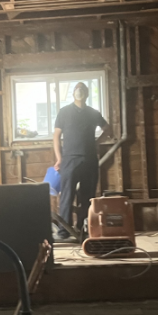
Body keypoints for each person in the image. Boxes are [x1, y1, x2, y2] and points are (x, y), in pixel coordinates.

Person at [53, 82, 111, 239]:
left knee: (87, 196)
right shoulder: (64, 112)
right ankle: (64, 231)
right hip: (69, 159)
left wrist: (96, 143)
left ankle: (82, 229)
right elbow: (56, 136)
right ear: (73, 93)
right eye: (77, 89)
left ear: (87, 93)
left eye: (82, 89)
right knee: (67, 195)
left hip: (89, 159)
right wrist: (59, 158)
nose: (79, 91)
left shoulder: (93, 113)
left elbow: (108, 129)